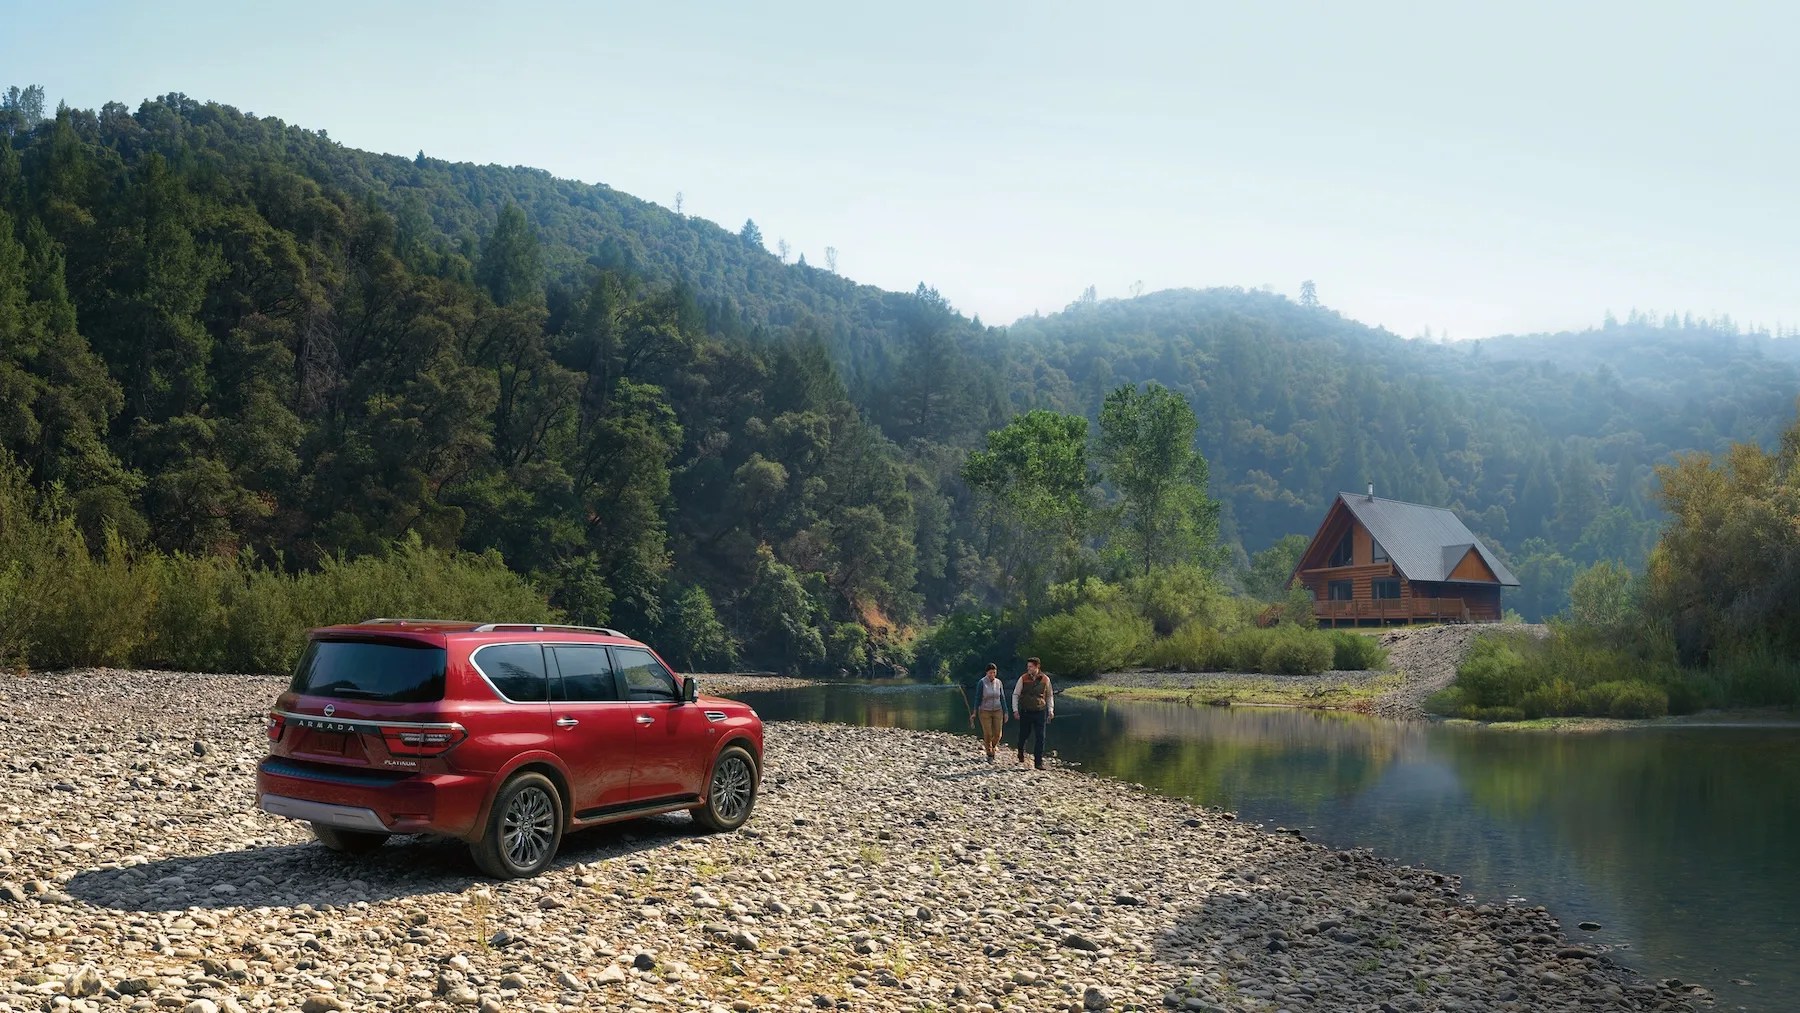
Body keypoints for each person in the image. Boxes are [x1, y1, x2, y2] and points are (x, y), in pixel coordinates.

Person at [1012, 657, 1053, 770]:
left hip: (1040, 711)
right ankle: (1020, 751)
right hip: (1025, 711)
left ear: (1037, 667)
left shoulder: (1045, 679)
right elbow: (1015, 694)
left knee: (1040, 737)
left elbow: (1049, 696)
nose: (1028, 668)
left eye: (1030, 666)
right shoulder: (1023, 678)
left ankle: (1038, 762)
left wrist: (1050, 710)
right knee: (1023, 735)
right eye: (1028, 666)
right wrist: (1015, 710)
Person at [966, 663, 1008, 761]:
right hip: (985, 710)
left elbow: (1002, 697)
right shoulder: (982, 683)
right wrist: (974, 712)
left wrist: (1006, 712)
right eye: (990, 673)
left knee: (998, 734)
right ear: (986, 673)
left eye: (994, 672)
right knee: (988, 733)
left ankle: (993, 746)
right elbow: (978, 698)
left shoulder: (999, 682)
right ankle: (989, 752)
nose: (992, 675)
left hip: (998, 710)